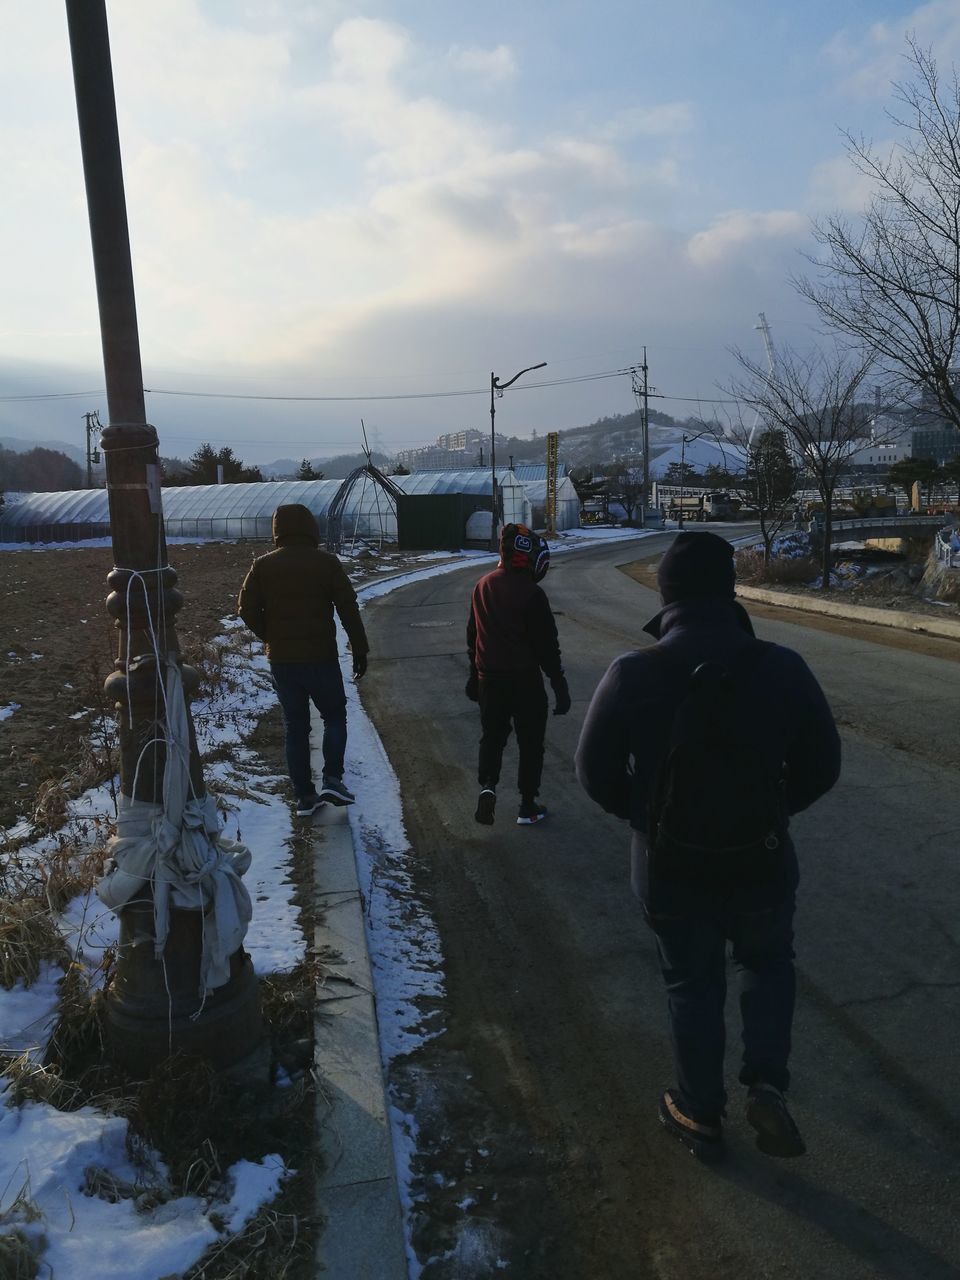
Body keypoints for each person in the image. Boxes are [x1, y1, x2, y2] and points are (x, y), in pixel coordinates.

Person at [575, 531, 840, 1161]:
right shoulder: (782, 666)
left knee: (691, 983)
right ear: (730, 591)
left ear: (665, 596)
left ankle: (699, 1111)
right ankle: (767, 1085)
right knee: (767, 962)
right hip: (762, 857)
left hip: (668, 868)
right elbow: (823, 764)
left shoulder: (632, 673)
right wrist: (774, 810)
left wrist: (647, 817)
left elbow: (593, 771)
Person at [238, 503, 369, 817]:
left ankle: (304, 797)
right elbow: (348, 606)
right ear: (311, 528)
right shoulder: (326, 563)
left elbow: (245, 609)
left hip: (282, 661)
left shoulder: (262, 565)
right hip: (321, 656)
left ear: (277, 530)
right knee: (334, 716)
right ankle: (332, 779)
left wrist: (271, 635)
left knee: (295, 727)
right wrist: (360, 648)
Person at [466, 523, 570, 826]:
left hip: (489, 679)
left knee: (492, 738)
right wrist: (558, 682)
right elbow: (546, 645)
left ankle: (488, 786)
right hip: (525, 681)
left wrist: (474, 674)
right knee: (530, 743)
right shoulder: (532, 593)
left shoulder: (482, 585)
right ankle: (527, 805)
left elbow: (473, 636)